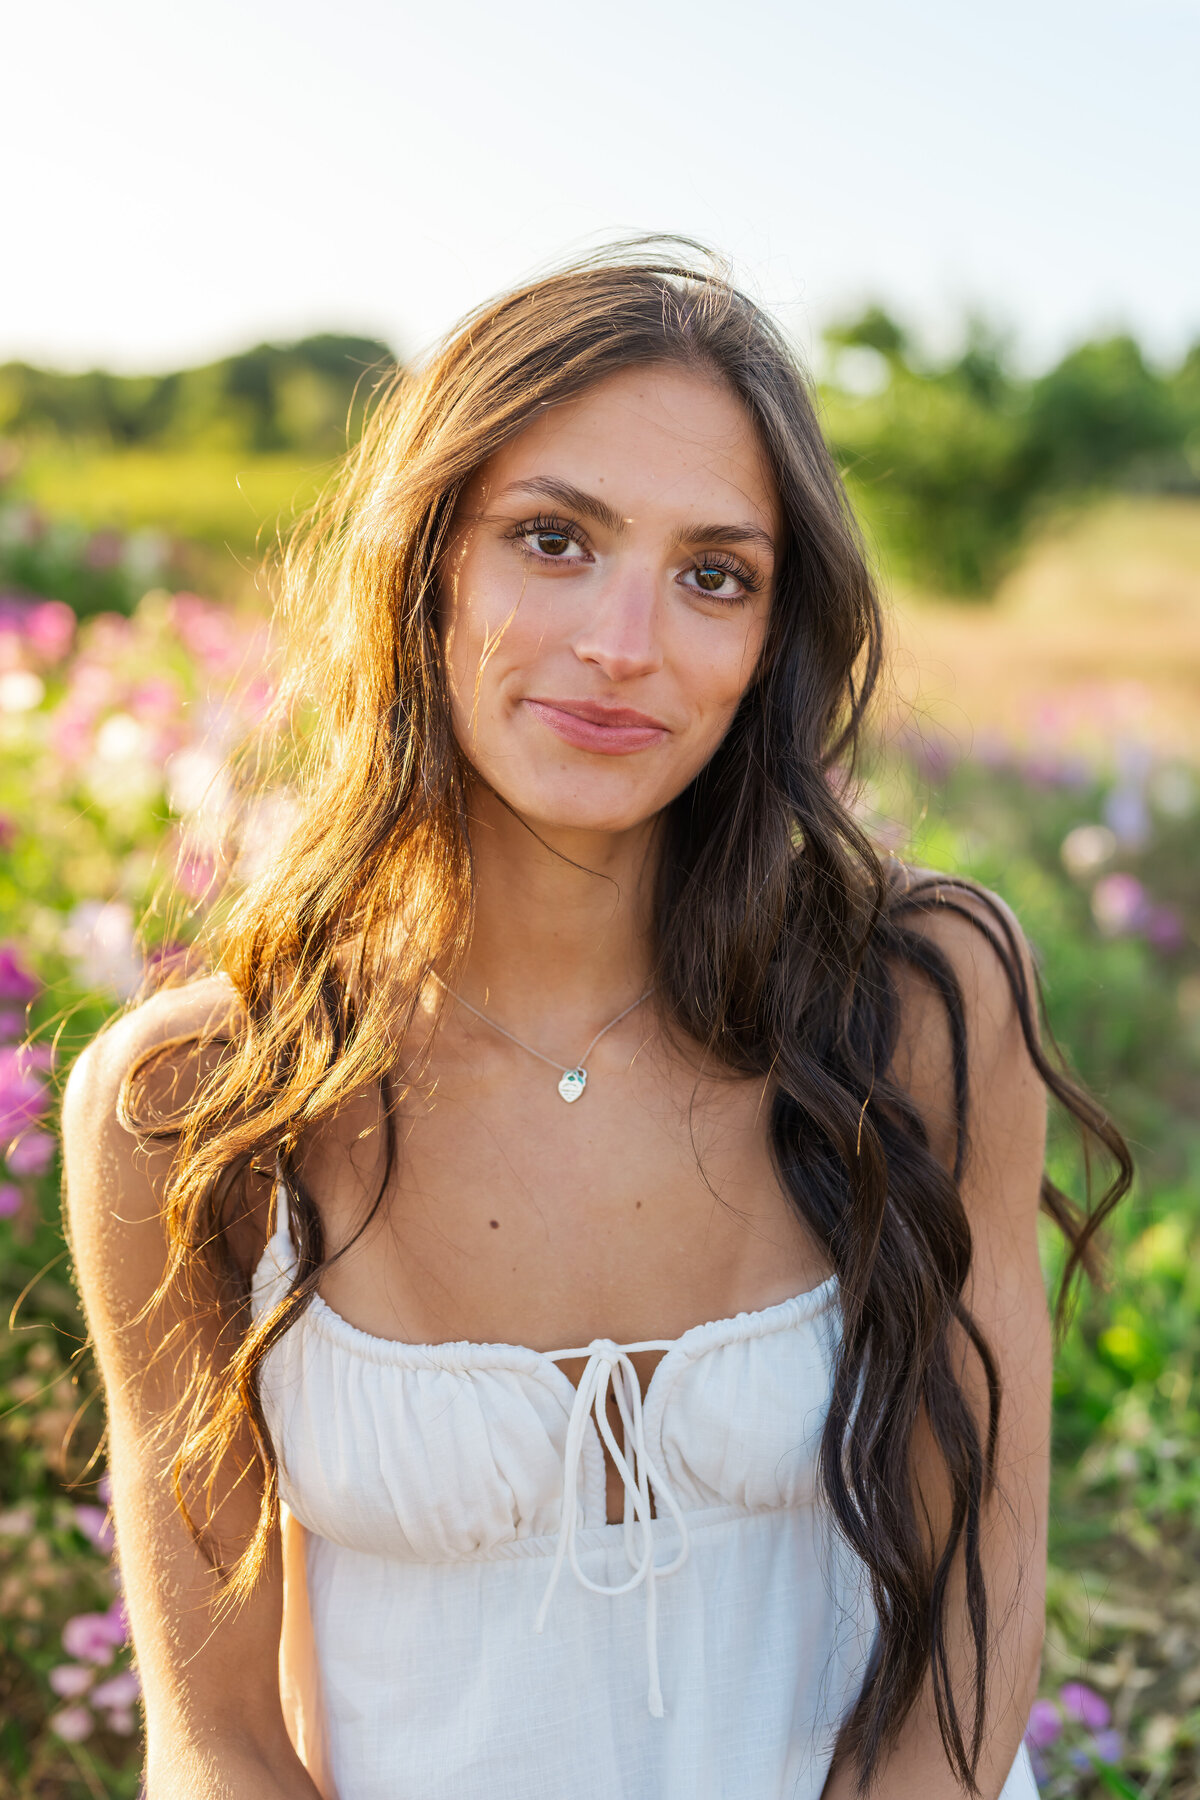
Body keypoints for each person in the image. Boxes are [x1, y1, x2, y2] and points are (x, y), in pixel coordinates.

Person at [62, 244, 1129, 1800]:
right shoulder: (198, 1096)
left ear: (773, 638)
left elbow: (977, 1611)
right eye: (553, 540)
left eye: (716, 574)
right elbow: (218, 1743)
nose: (626, 643)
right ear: (427, 567)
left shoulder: (919, 1001)